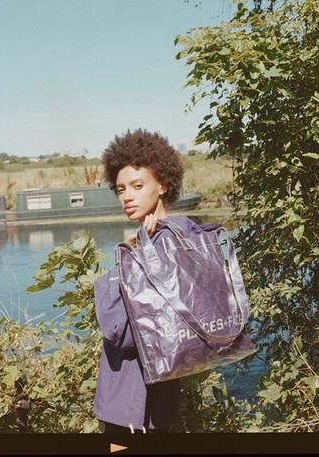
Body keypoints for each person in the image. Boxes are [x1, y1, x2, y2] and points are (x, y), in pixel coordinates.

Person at [92, 129, 219, 434]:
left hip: (130, 405)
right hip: (162, 403)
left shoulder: (155, 246)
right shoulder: (187, 234)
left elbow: (117, 330)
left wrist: (127, 258)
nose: (127, 196)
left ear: (162, 185)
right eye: (120, 189)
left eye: (138, 186)